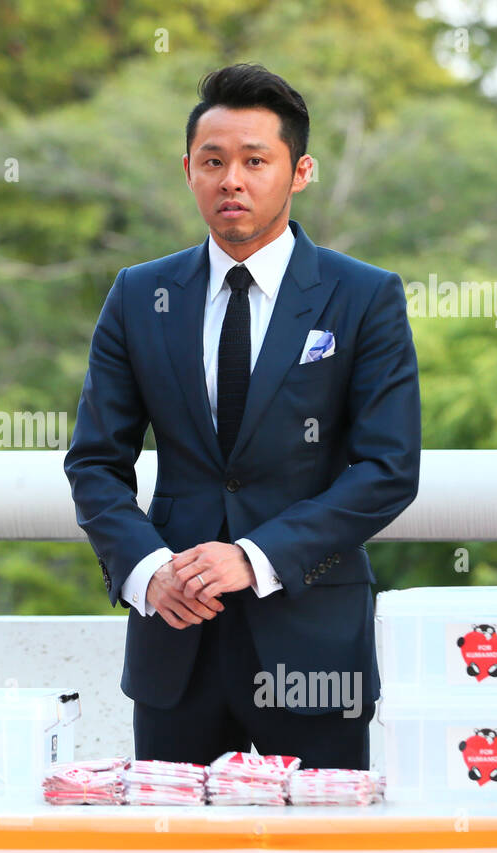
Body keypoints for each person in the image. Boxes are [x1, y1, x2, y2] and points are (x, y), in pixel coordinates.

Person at [63, 63, 421, 769]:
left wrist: (254, 558)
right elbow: (95, 463)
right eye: (213, 161)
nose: (233, 179)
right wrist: (148, 570)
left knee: (322, 851)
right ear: (189, 170)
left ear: (300, 171)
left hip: (314, 646)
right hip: (175, 640)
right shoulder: (139, 295)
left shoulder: (363, 296)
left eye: (256, 161)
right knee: (175, 850)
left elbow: (388, 469)